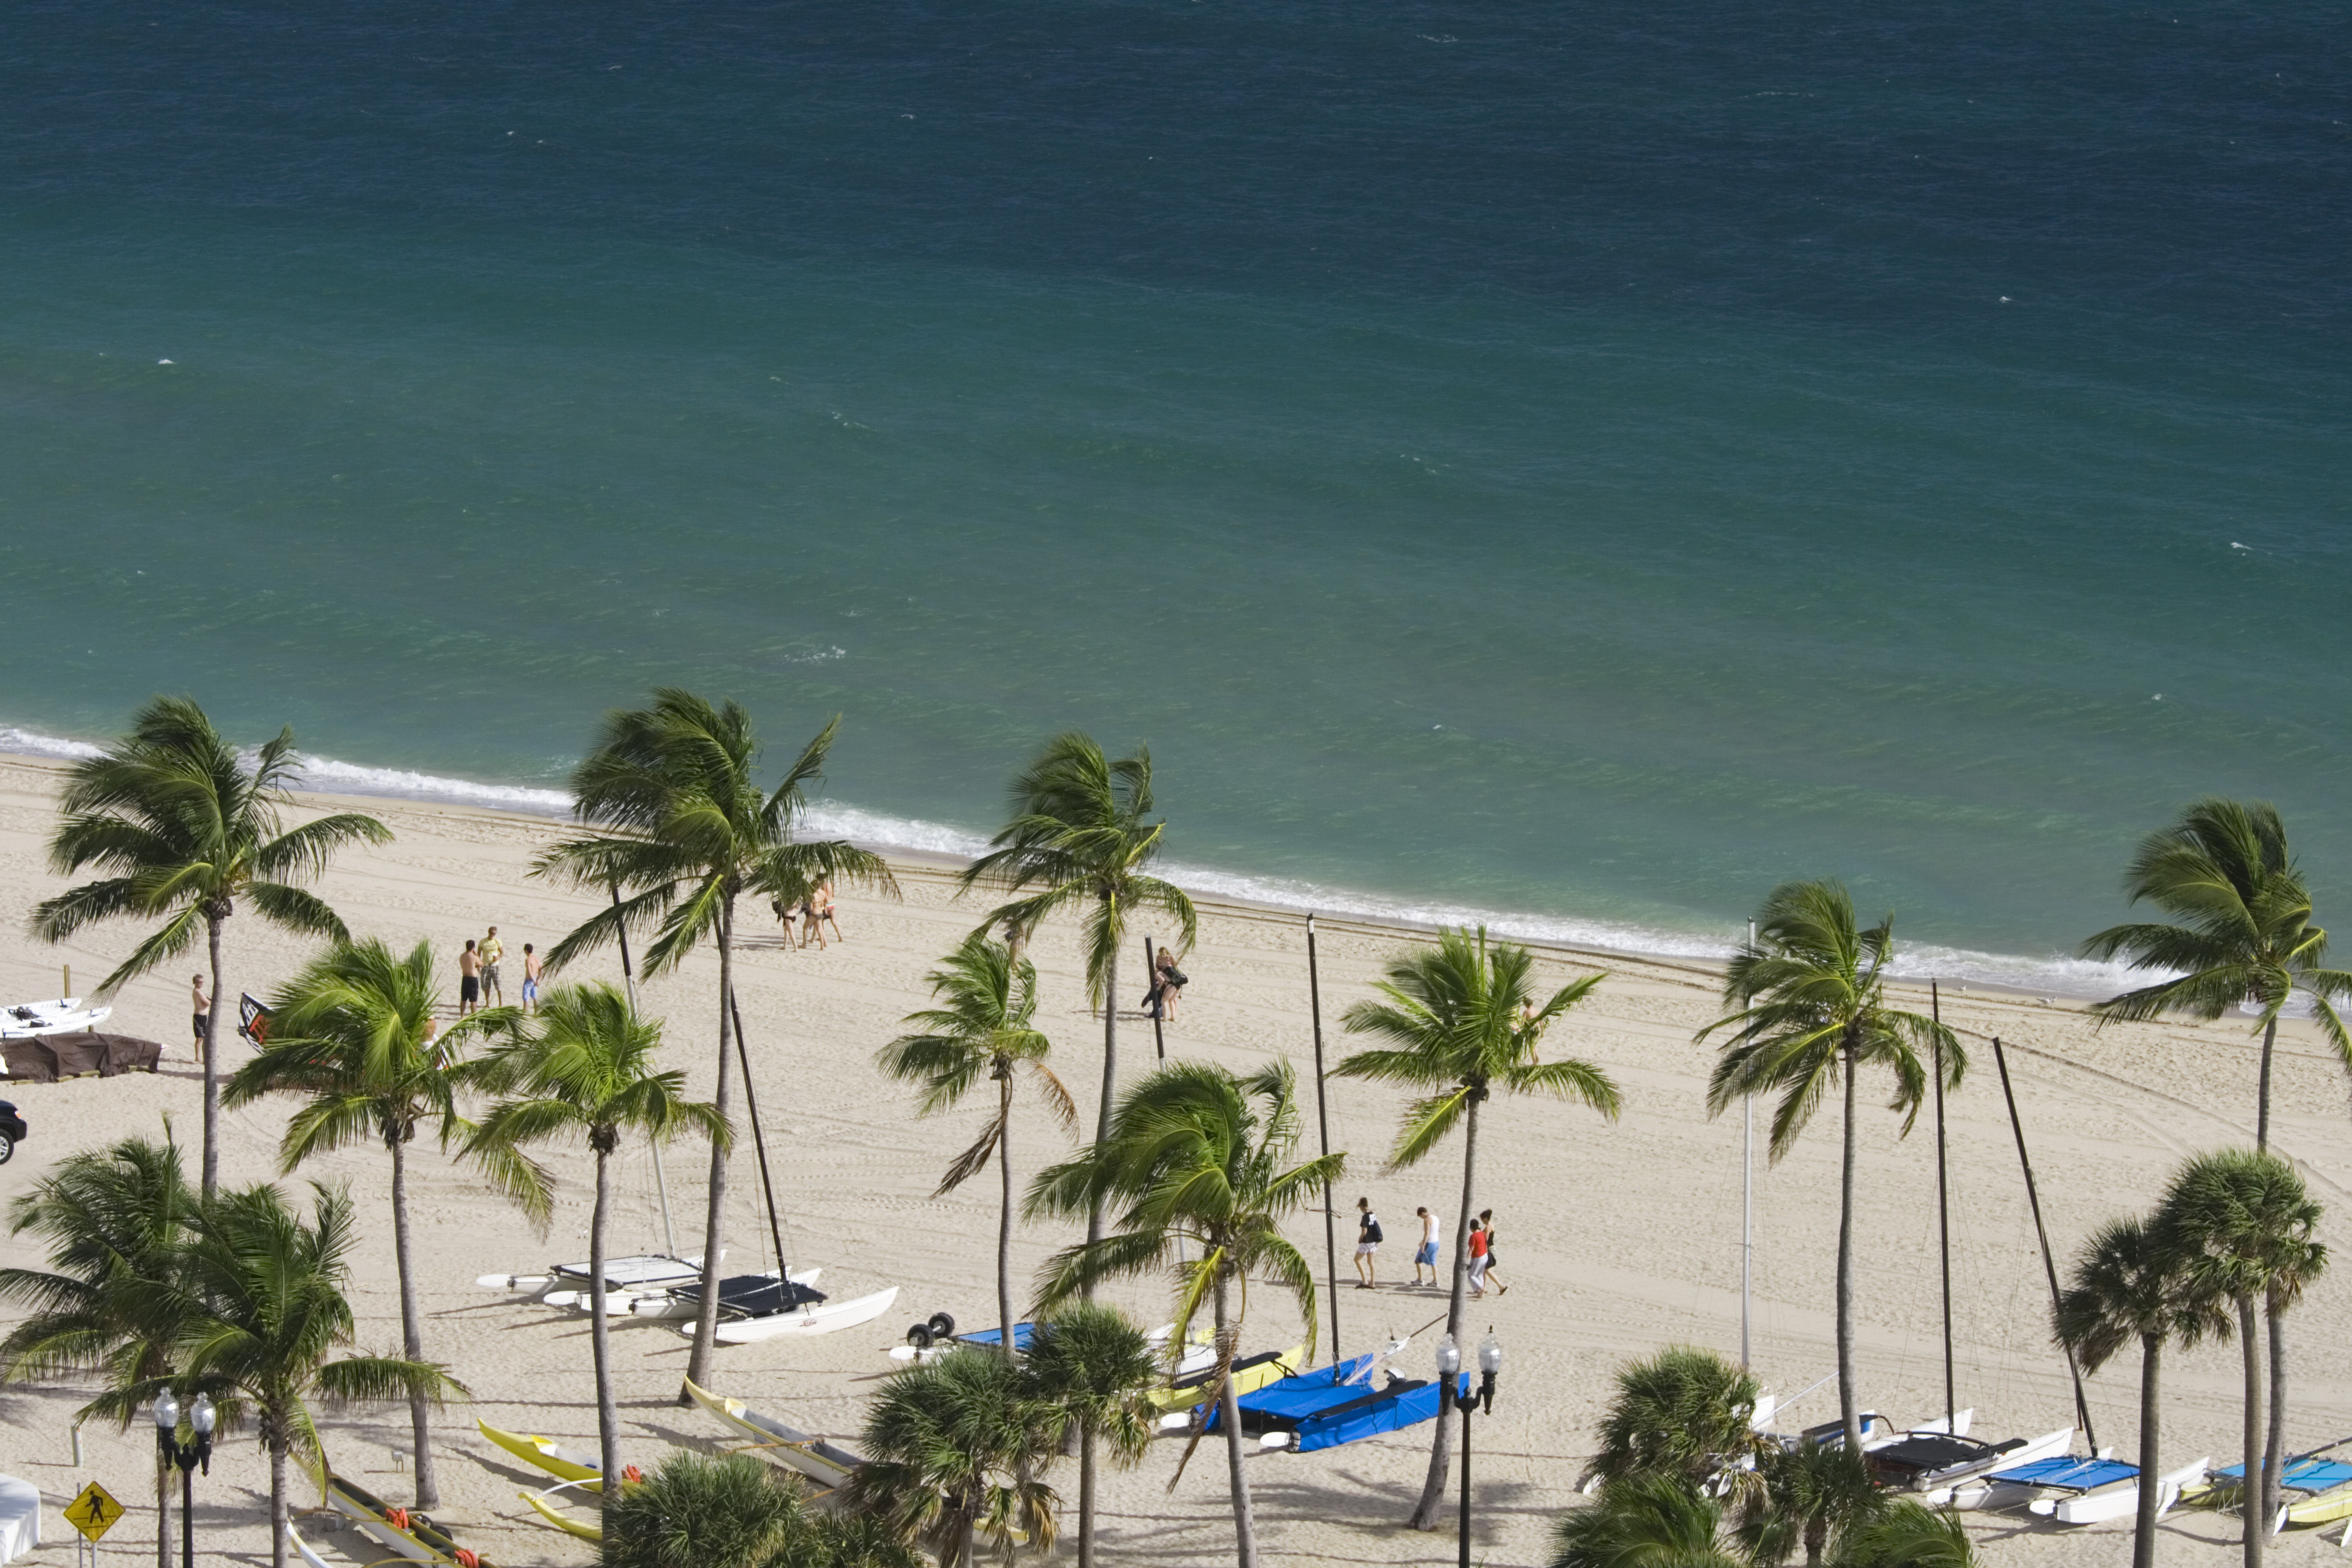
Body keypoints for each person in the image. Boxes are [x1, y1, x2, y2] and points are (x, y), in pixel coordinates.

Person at [1477, 1207, 1508, 1296]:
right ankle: (1485, 1287)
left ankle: (1501, 1286)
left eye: (1482, 1219)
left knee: (1487, 1270)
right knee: (1486, 1270)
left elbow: (1486, 1239)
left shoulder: (1488, 1227)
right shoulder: (1492, 1225)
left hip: (1489, 1249)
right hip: (1492, 1248)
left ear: (1486, 1218)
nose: (1482, 1221)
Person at [1354, 1196, 1382, 1288]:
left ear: (1362, 1206)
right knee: (1371, 1262)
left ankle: (1365, 1281)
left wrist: (1360, 1238)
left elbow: (1364, 1232)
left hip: (1367, 1242)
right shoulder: (1373, 1214)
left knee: (1357, 1260)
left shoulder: (1365, 1217)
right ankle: (1373, 1283)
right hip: (1374, 1242)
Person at [1154, 948, 1187, 1022]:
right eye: (1161, 955)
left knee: (1164, 1001)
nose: (1163, 956)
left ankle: (1165, 1018)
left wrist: (1159, 988)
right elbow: (1157, 966)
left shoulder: (1160, 973)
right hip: (1175, 984)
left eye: (1164, 954)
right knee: (1171, 1000)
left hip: (1171, 984)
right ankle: (1173, 1017)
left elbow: (1176, 969)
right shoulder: (1159, 958)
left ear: (1167, 953)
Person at [1413, 1205, 1441, 1287]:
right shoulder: (1435, 1217)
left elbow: (1427, 1233)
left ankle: (1420, 1280)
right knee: (1433, 1262)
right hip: (1436, 1242)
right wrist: (1423, 1241)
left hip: (1429, 1243)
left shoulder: (1427, 1220)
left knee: (1418, 1261)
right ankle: (1436, 1281)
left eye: (1421, 1216)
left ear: (1423, 1213)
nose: (1422, 1218)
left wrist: (1423, 1245)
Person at [479, 926, 505, 1006]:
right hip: (486, 966)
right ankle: (487, 1003)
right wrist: (479, 965)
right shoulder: (483, 942)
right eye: (491, 933)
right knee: (487, 985)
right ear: (488, 932)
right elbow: (479, 954)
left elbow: (502, 952)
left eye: (494, 934)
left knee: (498, 984)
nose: (492, 935)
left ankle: (500, 1003)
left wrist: (498, 957)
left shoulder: (497, 941)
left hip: (495, 965)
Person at [1466, 1216, 1491, 1298]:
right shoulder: (1482, 1233)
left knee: (1471, 1276)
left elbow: (1471, 1249)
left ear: (1471, 1227)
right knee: (1479, 1275)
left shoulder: (1473, 1236)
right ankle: (1480, 1294)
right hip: (1485, 1255)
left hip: (1478, 1257)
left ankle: (1481, 1288)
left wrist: (1467, 1258)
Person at [458, 939, 482, 1017]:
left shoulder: (462, 956)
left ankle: (462, 1016)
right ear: (473, 948)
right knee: (473, 1000)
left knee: (464, 999)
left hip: (465, 977)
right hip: (472, 979)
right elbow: (482, 964)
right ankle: (474, 1016)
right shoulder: (473, 957)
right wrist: (477, 955)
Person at [190, 974, 210, 1062]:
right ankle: (198, 1057)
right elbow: (208, 1003)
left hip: (204, 1017)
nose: (200, 984)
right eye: (199, 982)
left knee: (203, 1038)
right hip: (199, 1017)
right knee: (200, 1038)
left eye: (202, 982)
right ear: (195, 982)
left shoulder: (200, 991)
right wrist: (208, 1002)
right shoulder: (197, 992)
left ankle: (202, 1057)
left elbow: (206, 1003)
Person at [521, 943, 543, 1015]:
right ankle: (536, 1013)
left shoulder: (528, 960)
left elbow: (530, 972)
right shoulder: (536, 958)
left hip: (530, 979)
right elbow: (541, 968)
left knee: (526, 997)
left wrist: (534, 981)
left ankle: (525, 1014)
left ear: (526, 951)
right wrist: (538, 980)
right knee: (535, 997)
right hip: (536, 978)